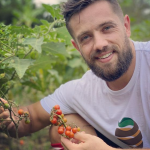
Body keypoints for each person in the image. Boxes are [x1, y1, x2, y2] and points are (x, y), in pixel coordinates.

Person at [0, 0, 150, 149]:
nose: (99, 44)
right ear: (77, 47)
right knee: (64, 128)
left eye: (107, 28)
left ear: (126, 26)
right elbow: (30, 118)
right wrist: (6, 115)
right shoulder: (80, 91)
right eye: (86, 37)